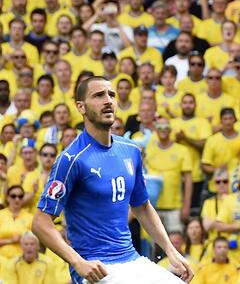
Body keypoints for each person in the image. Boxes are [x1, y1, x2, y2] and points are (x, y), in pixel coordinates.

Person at [32, 76, 193, 283]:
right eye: (99, 95)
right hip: (98, 268)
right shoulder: (71, 159)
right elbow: (40, 222)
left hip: (132, 260)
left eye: (111, 95)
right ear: (81, 107)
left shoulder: (131, 150)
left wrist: (171, 251)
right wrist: (78, 262)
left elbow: (142, 207)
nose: (108, 100)